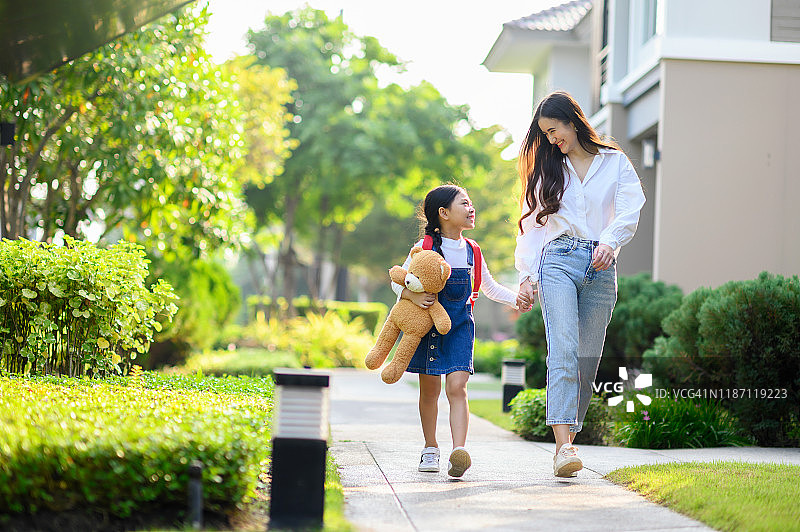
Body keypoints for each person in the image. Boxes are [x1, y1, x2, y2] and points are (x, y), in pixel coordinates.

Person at [514, 91, 646, 478]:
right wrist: (527, 275)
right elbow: (533, 224)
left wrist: (611, 241)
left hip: (601, 266)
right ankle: (564, 447)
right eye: (546, 134)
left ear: (573, 120)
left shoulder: (614, 162)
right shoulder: (548, 170)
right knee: (564, 350)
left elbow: (629, 208)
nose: (552, 140)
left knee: (586, 361)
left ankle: (569, 439)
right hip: (558, 260)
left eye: (554, 130)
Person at [392, 184, 518, 478]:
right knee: (430, 392)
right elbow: (398, 282)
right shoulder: (423, 250)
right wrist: (412, 297)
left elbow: (489, 287)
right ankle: (430, 447)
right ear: (444, 213)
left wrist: (518, 299)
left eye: (471, 203)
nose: (471, 208)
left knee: (457, 389)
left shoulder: (473, 250)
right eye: (464, 204)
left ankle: (458, 451)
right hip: (428, 329)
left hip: (461, 327)